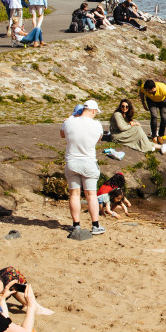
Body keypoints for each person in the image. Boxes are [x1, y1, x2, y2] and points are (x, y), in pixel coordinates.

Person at [61, 99, 105, 236]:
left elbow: (62, 135)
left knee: (74, 194)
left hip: (72, 161)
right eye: (95, 112)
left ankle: (76, 225)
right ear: (93, 111)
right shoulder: (97, 125)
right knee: (91, 195)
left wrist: (71, 119)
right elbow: (98, 139)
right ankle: (95, 225)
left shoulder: (68, 122)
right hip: (89, 162)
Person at [139, 80, 166, 144]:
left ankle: (160, 135)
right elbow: (141, 92)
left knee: (164, 117)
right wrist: (143, 103)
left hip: (162, 100)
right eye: (146, 90)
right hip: (151, 100)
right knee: (154, 116)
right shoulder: (143, 87)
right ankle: (154, 136)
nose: (146, 92)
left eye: (148, 91)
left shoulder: (163, 88)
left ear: (153, 88)